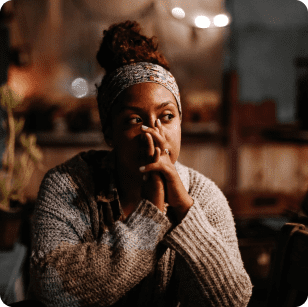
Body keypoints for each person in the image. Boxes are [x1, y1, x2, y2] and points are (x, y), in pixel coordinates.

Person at [26, 20, 253, 307]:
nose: (155, 134)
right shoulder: (67, 185)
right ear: (109, 133)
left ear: (181, 122)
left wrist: (184, 210)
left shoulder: (203, 196)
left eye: (167, 116)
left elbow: (232, 301)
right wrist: (149, 218)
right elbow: (51, 290)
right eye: (135, 120)